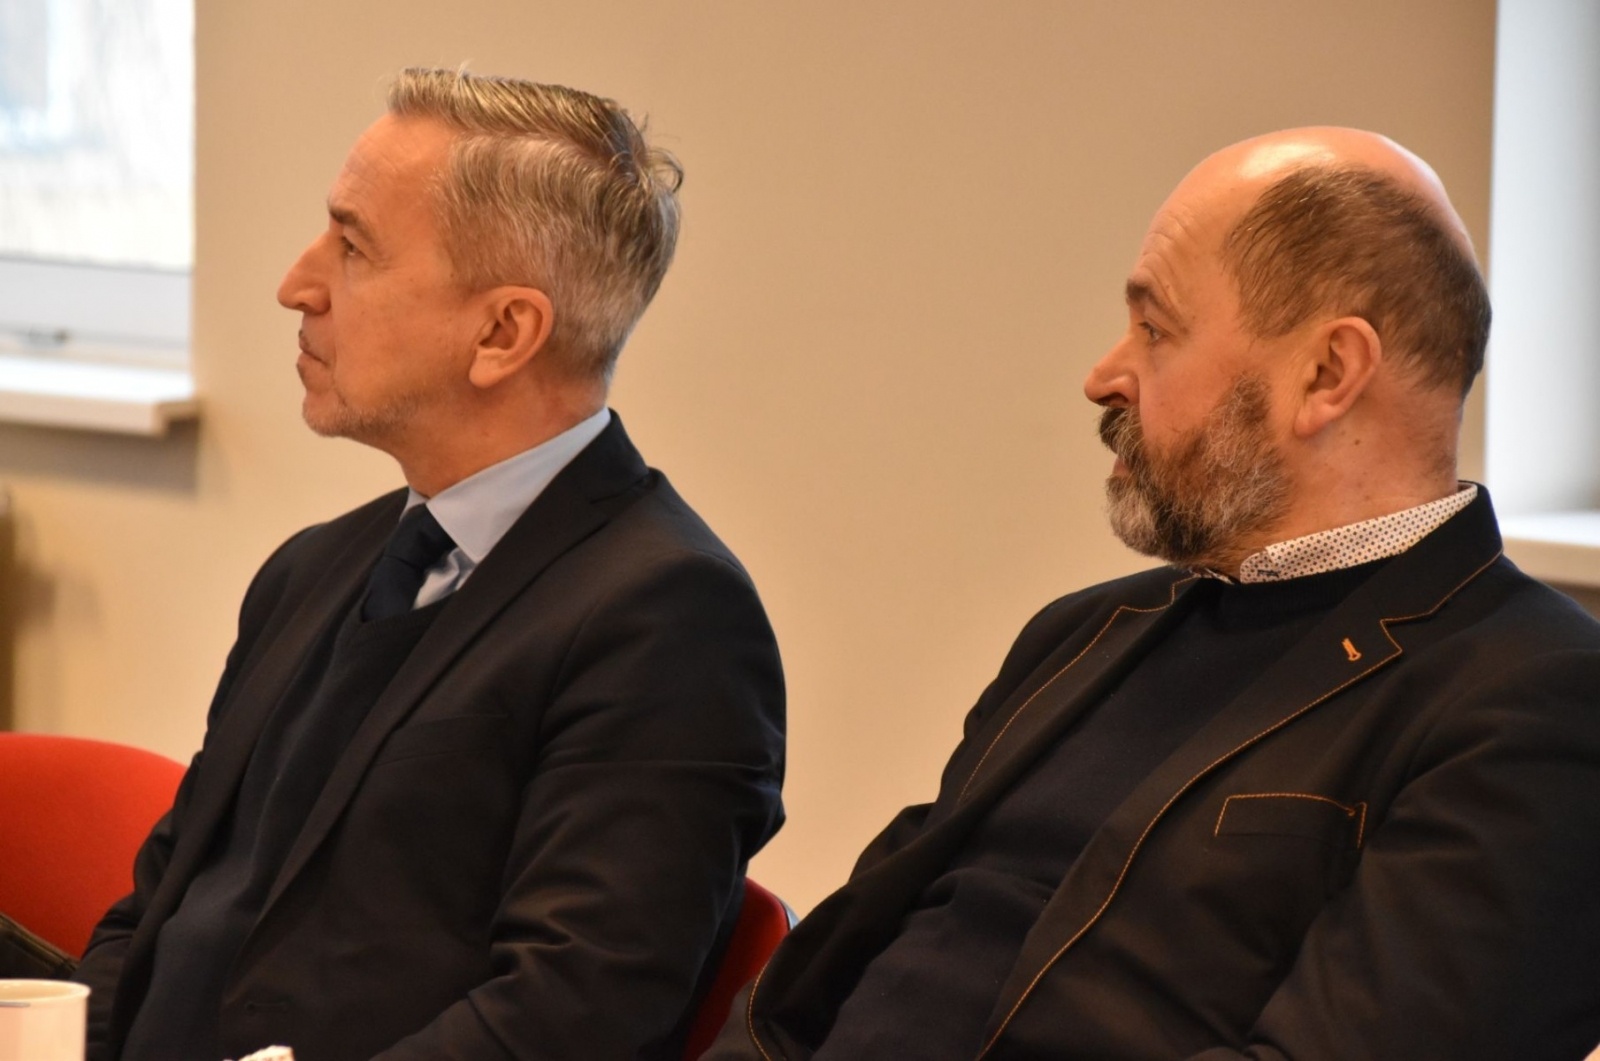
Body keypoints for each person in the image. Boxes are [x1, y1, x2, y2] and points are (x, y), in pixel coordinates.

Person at [705, 128, 1600, 1060]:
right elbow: (809, 985)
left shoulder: (1534, 702)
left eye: (1156, 329)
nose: (1105, 377)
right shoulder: (1086, 631)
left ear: (1327, 373)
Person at [74, 68, 785, 1061]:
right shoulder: (311, 568)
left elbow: (569, 1014)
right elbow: (157, 916)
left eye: (353, 246)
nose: (297, 284)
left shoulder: (669, 618)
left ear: (502, 332)